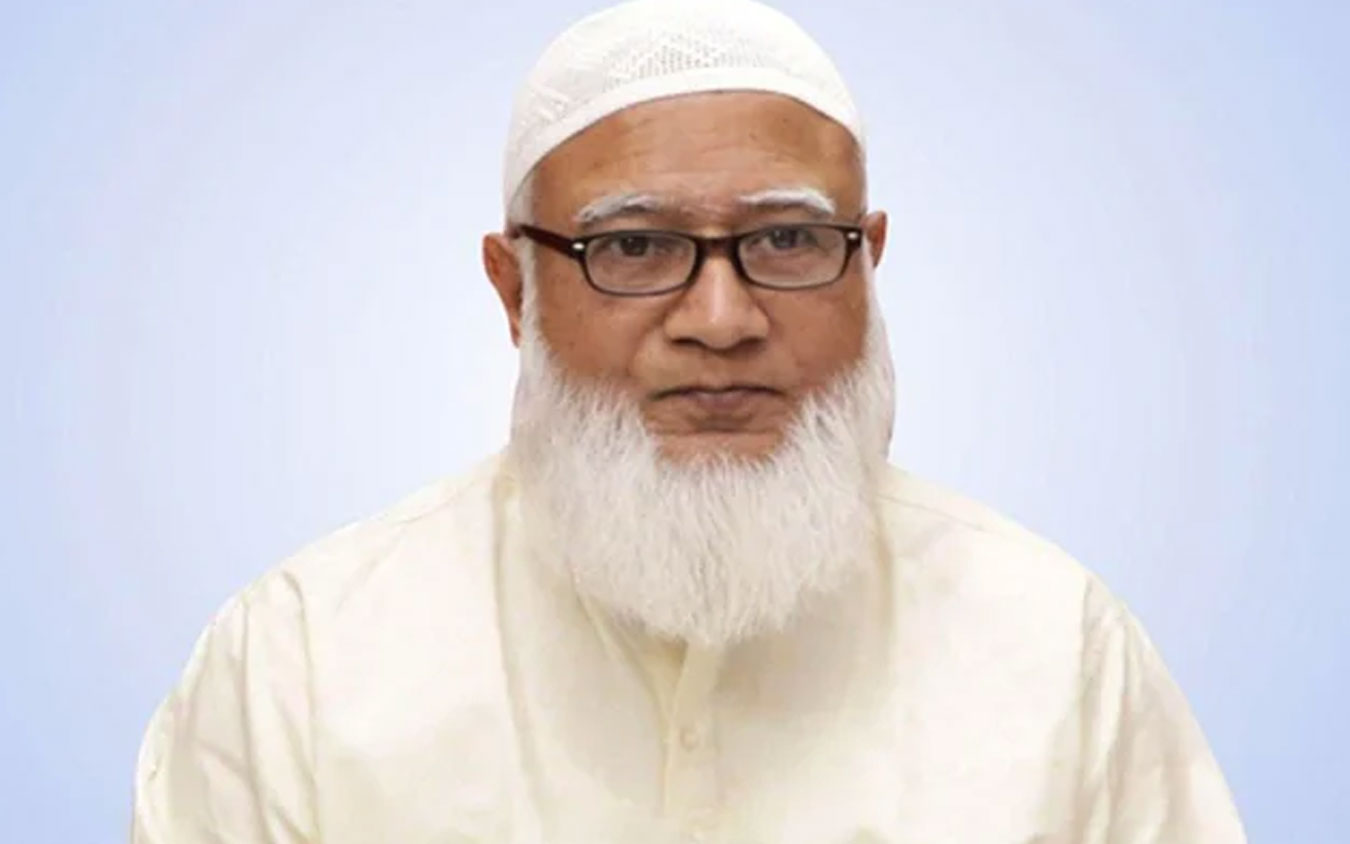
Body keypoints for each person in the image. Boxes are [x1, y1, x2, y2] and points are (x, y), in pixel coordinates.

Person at [131, 1, 1246, 841]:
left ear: (869, 265)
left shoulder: (1054, 650)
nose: (721, 320)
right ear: (515, 292)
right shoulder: (302, 668)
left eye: (788, 241)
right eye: (634, 247)